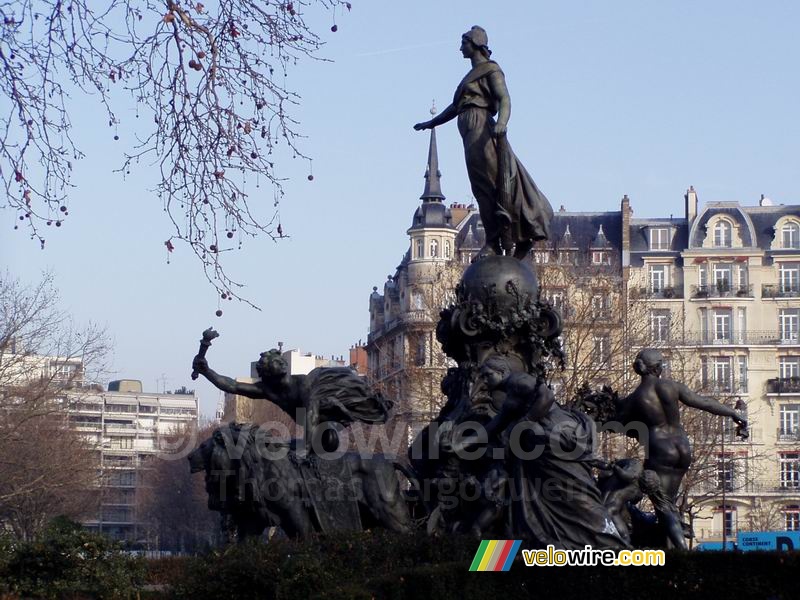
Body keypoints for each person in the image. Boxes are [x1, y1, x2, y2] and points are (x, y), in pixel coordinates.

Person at [414, 26, 553, 260]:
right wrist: (432, 123)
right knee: (480, 187)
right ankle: (497, 239)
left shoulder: (490, 70)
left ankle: (502, 237)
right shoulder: (470, 77)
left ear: (475, 44)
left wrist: (502, 122)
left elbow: (504, 98)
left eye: (463, 42)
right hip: (469, 130)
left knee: (491, 184)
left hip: (482, 128)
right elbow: (455, 107)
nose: (460, 48)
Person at [192, 349, 392, 454]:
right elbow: (232, 386)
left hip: (325, 424)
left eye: (276, 365)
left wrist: (304, 450)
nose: (278, 367)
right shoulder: (268, 390)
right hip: (309, 428)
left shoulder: (302, 384)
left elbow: (311, 415)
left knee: (325, 441)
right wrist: (207, 371)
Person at [616, 349, 748, 503]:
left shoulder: (634, 398)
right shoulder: (671, 386)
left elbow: (618, 423)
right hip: (683, 447)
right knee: (669, 502)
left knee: (662, 503)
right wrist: (732, 412)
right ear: (658, 368)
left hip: (660, 449)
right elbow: (705, 403)